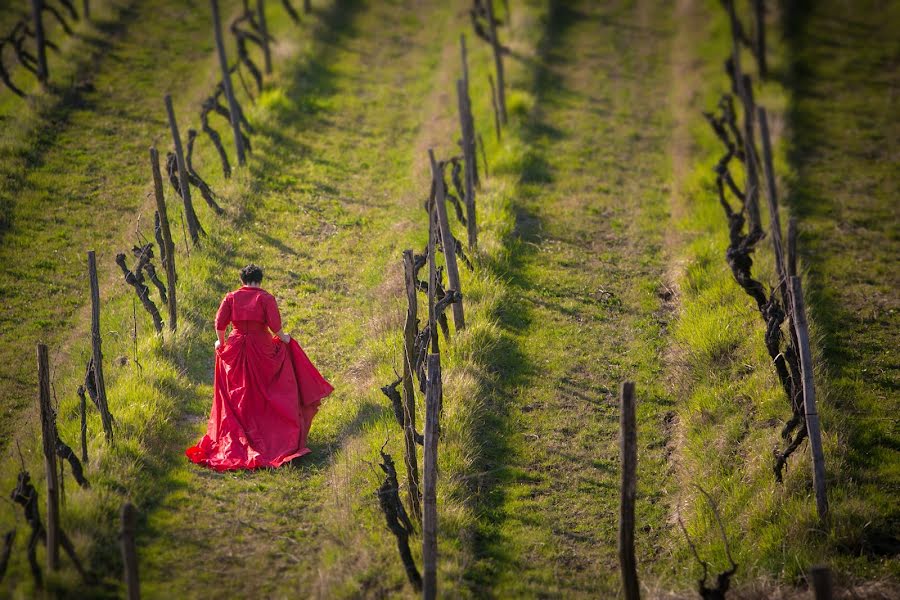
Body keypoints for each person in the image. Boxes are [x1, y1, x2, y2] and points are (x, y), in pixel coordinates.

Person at [186, 264, 333, 471]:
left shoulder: (231, 297)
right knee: (264, 391)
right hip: (261, 347)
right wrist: (285, 339)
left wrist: (221, 342)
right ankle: (270, 435)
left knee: (238, 391)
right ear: (259, 280)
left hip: (236, 345)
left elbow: (220, 324)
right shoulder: (266, 298)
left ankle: (240, 431)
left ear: (242, 280)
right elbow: (275, 326)